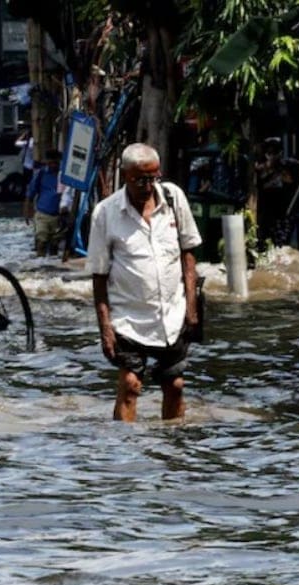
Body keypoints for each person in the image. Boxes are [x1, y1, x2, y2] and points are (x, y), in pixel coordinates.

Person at [87, 142, 203, 422]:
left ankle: (173, 446)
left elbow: (188, 255)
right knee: (130, 385)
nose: (148, 185)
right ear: (125, 175)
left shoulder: (174, 199)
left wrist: (191, 306)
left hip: (171, 314)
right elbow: (99, 276)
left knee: (175, 385)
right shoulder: (106, 213)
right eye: (140, 179)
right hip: (128, 317)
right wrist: (105, 328)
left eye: (153, 177)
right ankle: (125, 452)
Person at [253, 137, 299, 248]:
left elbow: (290, 180)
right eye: (269, 152)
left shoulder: (287, 165)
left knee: (283, 243)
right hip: (267, 212)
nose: (271, 155)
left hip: (284, 210)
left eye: (274, 152)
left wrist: (277, 169)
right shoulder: (260, 168)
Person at [23, 148, 66, 258]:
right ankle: (40, 265)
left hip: (59, 216)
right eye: (50, 162)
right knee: (41, 241)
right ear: (47, 162)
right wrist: (27, 212)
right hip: (43, 214)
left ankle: (50, 269)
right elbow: (30, 193)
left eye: (55, 162)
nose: (53, 165)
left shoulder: (64, 175)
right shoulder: (41, 174)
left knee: (54, 246)